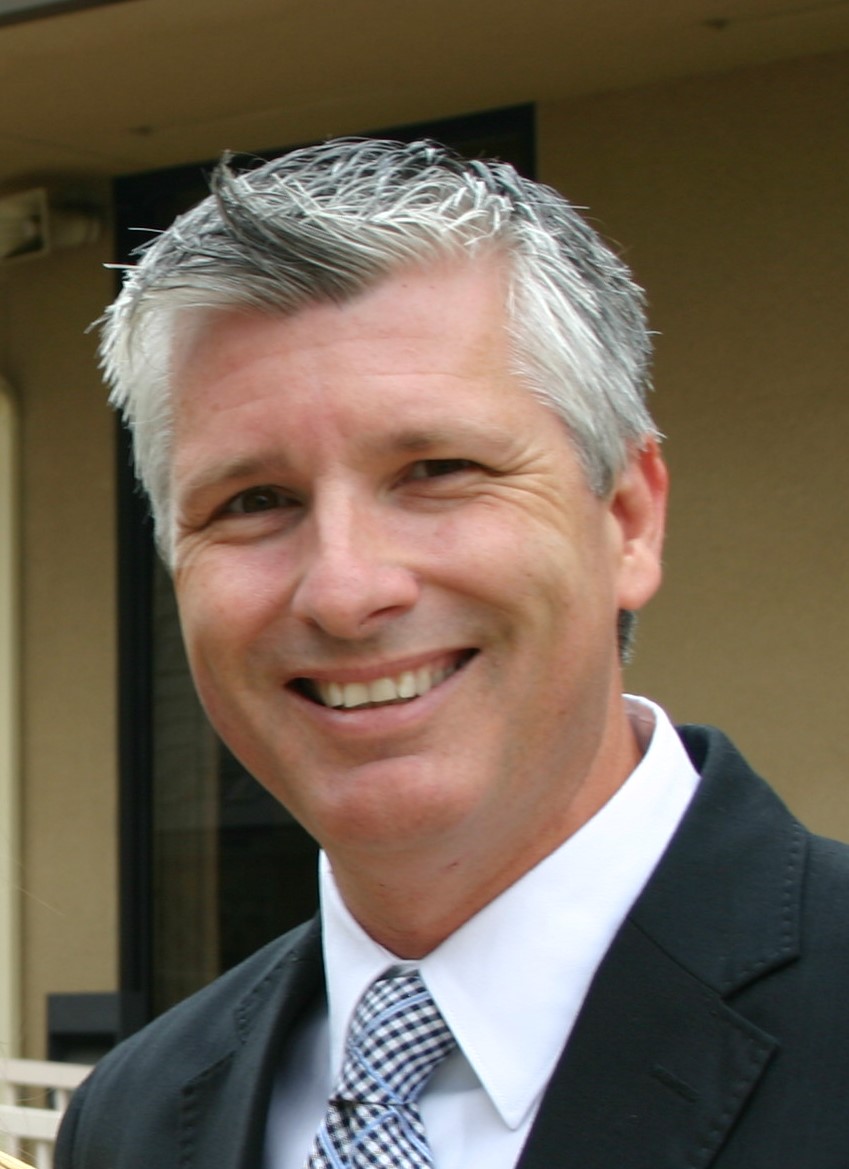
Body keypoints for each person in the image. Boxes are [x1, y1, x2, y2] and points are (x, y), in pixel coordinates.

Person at [56, 139, 849, 1169]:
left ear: (627, 518)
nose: (344, 590)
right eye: (255, 501)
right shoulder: (133, 1119)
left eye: (436, 469)